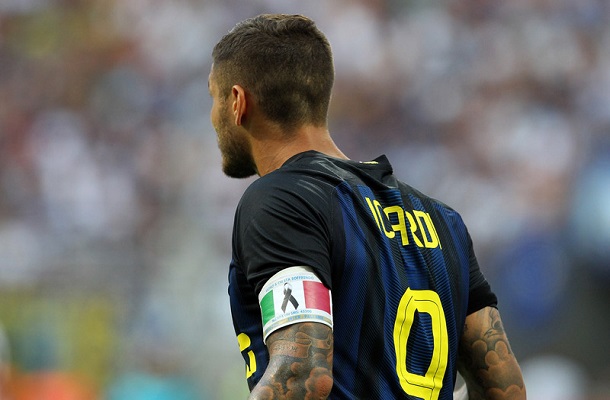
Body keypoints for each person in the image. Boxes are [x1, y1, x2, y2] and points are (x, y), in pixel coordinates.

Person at [209, 13, 526, 400]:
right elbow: (506, 389)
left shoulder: (282, 199)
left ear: (238, 102)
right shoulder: (443, 221)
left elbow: (302, 373)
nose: (212, 117)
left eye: (213, 98)